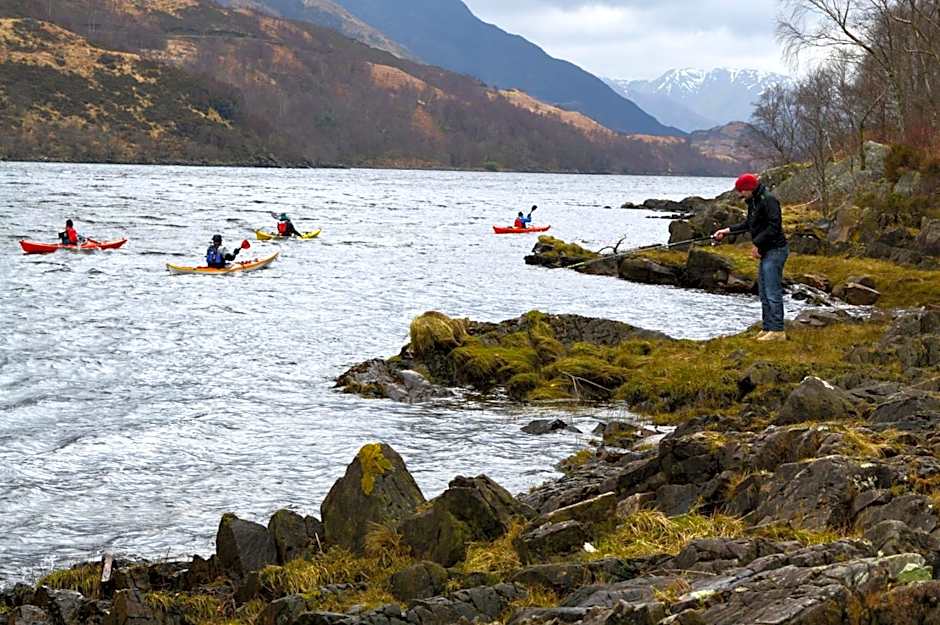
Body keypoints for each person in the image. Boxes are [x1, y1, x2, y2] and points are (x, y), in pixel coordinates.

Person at [712, 173, 789, 342]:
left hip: (776, 250)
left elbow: (774, 226)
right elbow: (749, 224)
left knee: (772, 290)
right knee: (763, 291)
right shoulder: (753, 201)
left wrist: (758, 244)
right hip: (767, 250)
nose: (740, 195)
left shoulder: (768, 200)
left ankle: (777, 331)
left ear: (749, 188)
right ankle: (768, 327)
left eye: (741, 191)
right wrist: (726, 231)